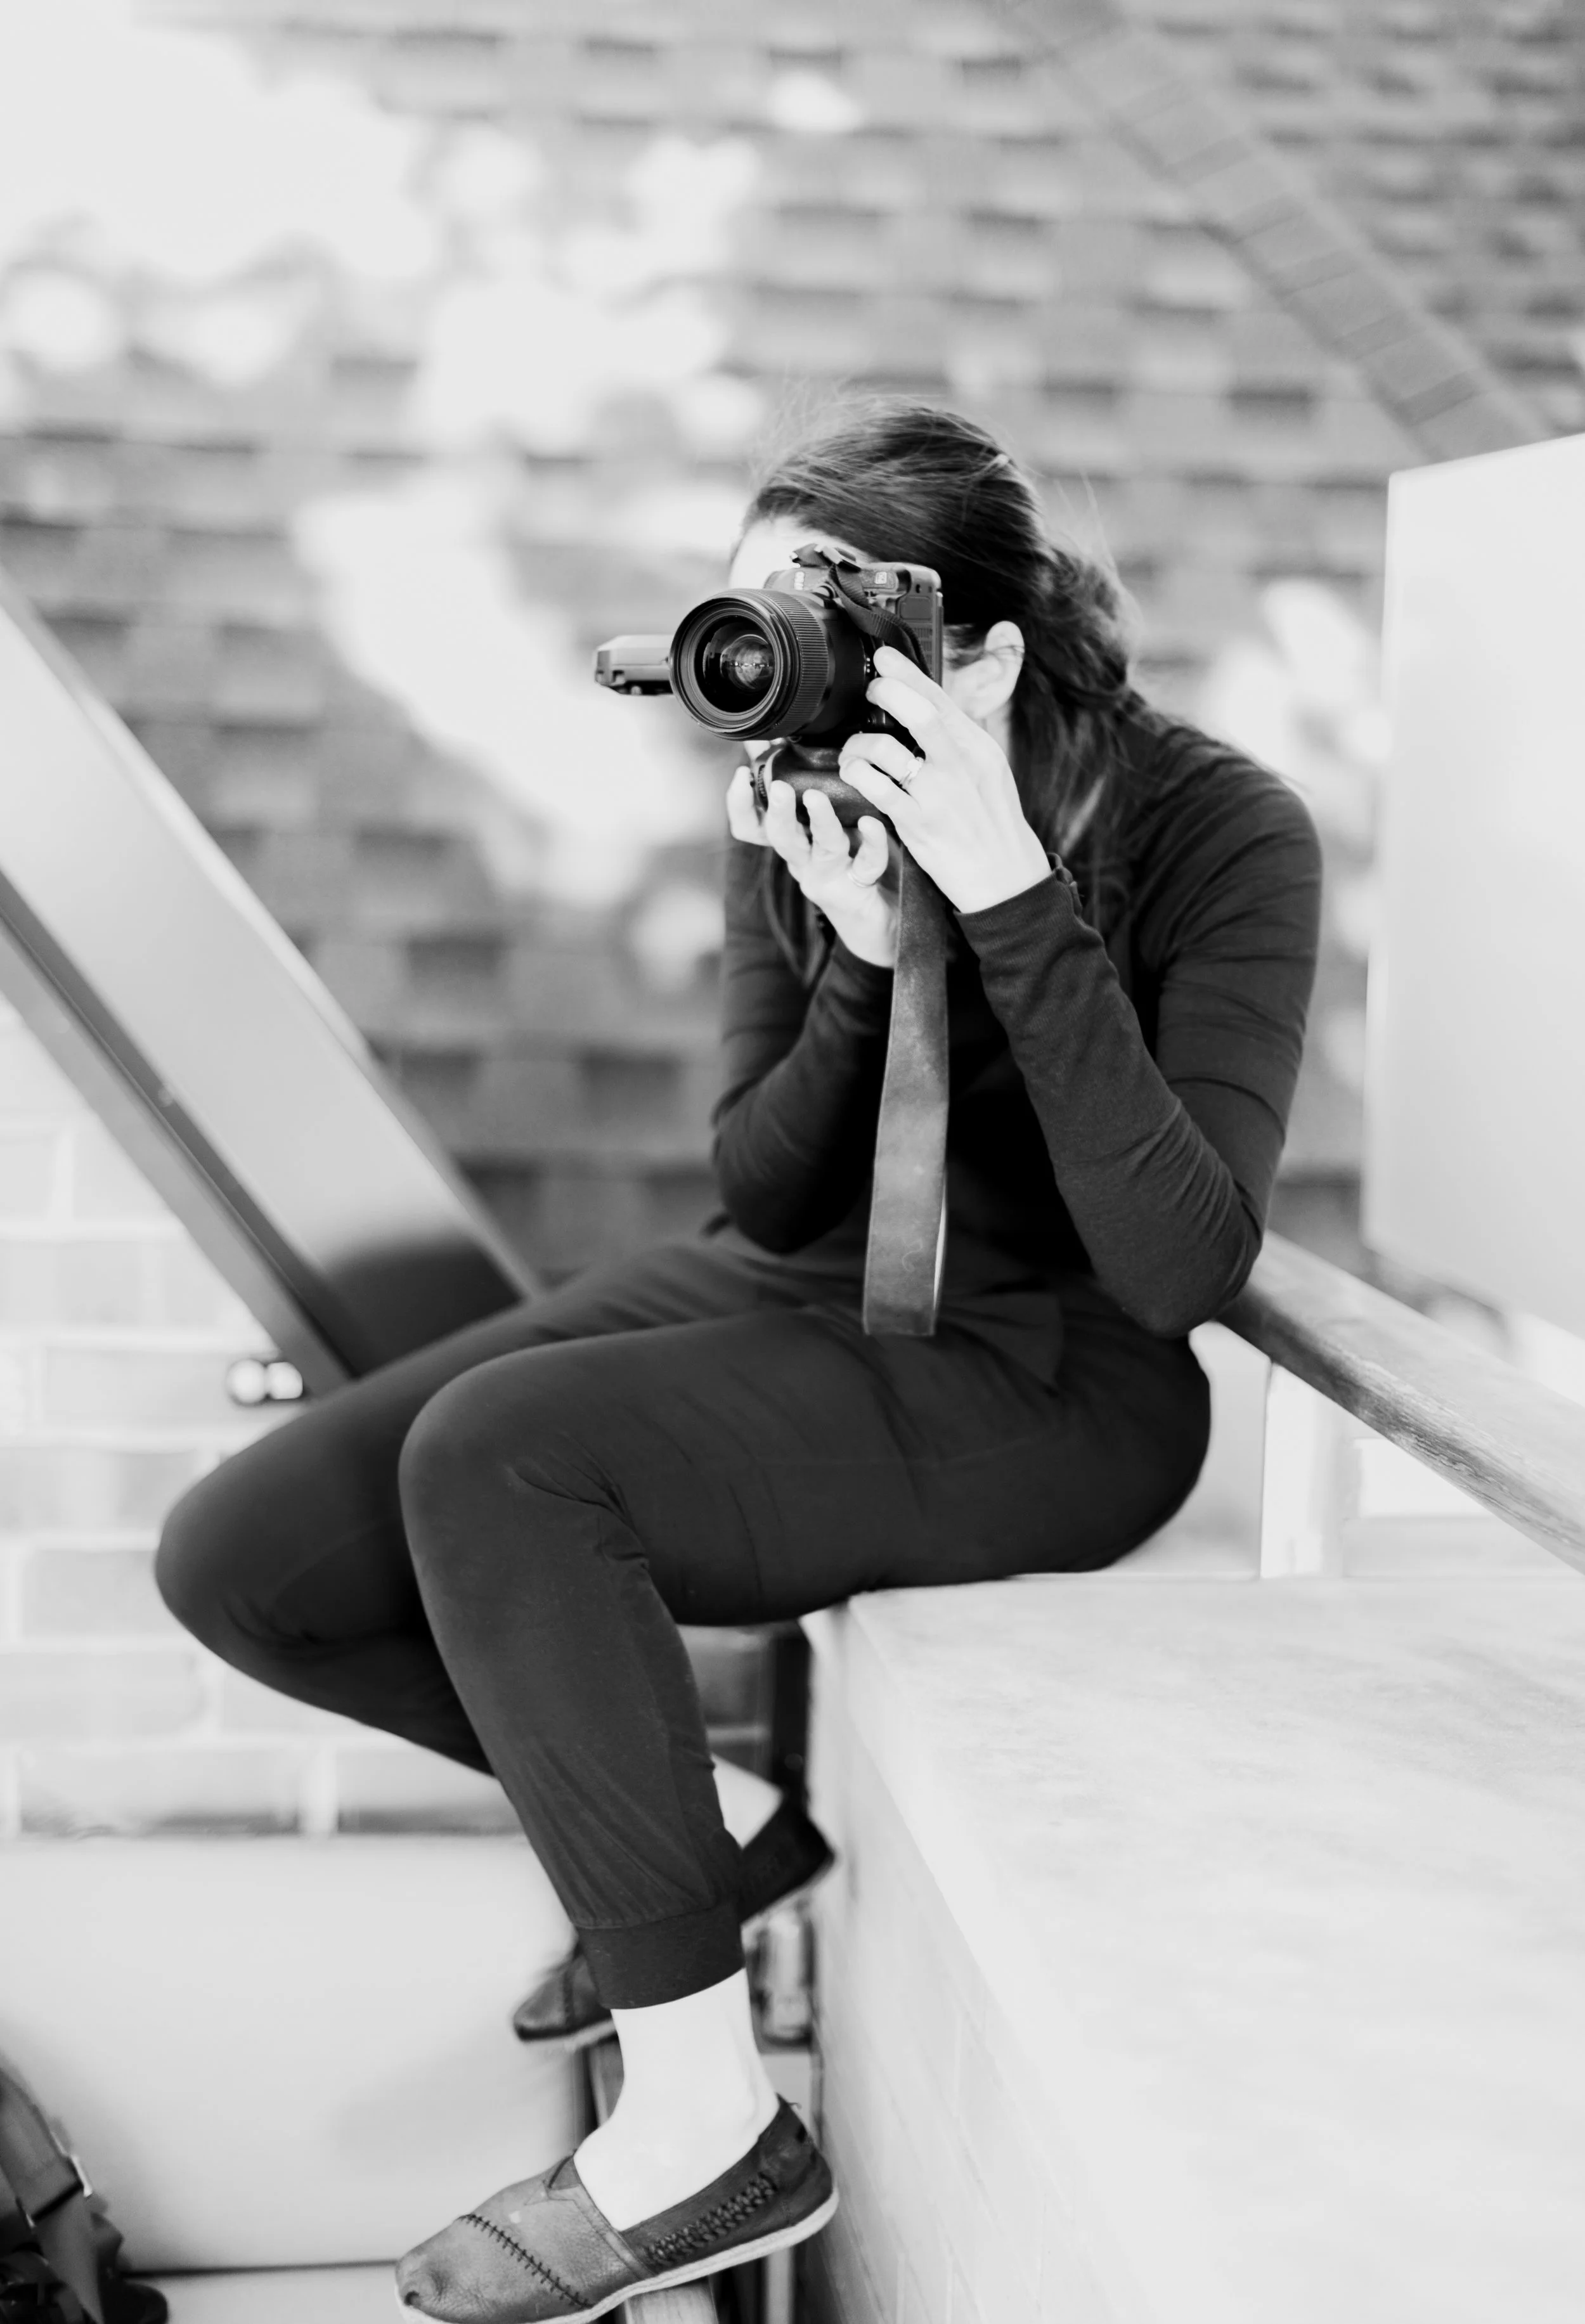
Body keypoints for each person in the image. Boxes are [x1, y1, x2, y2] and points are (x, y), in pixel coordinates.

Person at [154, 400, 1322, 2324]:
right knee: (247, 1560)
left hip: (1059, 1377)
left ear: (981, 651)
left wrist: (1008, 897)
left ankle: (703, 2121)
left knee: (506, 1453)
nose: (779, 665)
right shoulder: (796, 789)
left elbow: (1177, 1264)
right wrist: (863, 955)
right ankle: (704, 1844)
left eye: (830, 620)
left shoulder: (1216, 830)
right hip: (814, 1285)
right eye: (754, 611)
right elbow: (763, 1195)